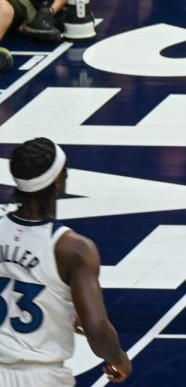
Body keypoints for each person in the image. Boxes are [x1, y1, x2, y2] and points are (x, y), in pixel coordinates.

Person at [1, 138, 132, 383]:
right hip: (40, 376)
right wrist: (118, 359)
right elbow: (95, 327)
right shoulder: (73, 249)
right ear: (59, 181)